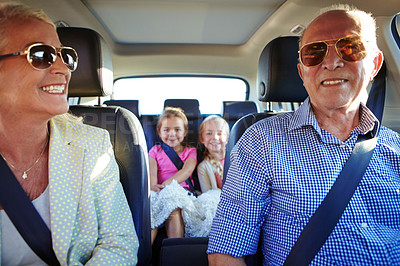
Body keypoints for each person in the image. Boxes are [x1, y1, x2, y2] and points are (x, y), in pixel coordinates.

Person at [208, 4, 400, 265]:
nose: (331, 62)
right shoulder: (261, 141)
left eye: (350, 47)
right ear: (302, 72)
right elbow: (226, 253)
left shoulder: (396, 148)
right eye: (314, 52)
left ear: (375, 64)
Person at [0, 2, 138, 265]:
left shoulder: (92, 145)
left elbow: (120, 245)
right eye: (41, 55)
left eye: (67, 56)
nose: (64, 69)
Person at [149, 106, 197, 243]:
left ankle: (175, 250)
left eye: (177, 130)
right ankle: (145, 254)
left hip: (180, 191)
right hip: (158, 190)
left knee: (173, 207)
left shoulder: (190, 151)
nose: (172, 134)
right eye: (166, 130)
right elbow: (151, 172)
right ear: (159, 132)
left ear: (185, 131)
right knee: (150, 204)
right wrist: (154, 186)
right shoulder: (155, 151)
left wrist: (166, 185)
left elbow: (186, 171)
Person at [197, 115, 229, 193]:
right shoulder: (203, 167)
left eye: (219, 133)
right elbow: (207, 196)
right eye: (209, 133)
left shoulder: (236, 159)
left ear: (227, 138)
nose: (215, 137)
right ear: (202, 139)